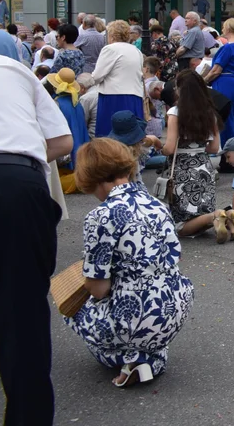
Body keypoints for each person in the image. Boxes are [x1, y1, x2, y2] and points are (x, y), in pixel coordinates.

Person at [0, 53, 73, 424]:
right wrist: (26, 156)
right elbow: (62, 141)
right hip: (17, 184)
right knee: (23, 315)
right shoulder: (10, 67)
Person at [66, 138, 194, 388]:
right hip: (174, 304)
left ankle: (126, 356)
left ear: (89, 176)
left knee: (72, 310)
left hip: (135, 315)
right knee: (145, 328)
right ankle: (150, 358)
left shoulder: (101, 216)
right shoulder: (156, 205)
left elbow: (98, 288)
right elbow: (174, 256)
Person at [162, 70, 226, 240]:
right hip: (204, 167)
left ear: (180, 89)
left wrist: (156, 145)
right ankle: (221, 217)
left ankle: (215, 216)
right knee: (200, 213)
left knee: (180, 227)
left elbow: (169, 148)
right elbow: (214, 148)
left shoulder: (175, 112)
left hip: (183, 169)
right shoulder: (210, 112)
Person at [90, 20, 145, 138]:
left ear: (111, 35)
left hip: (113, 96)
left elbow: (97, 76)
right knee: (131, 136)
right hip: (135, 96)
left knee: (111, 136)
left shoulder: (110, 49)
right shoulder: (136, 51)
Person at [203, 18, 234, 144]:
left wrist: (203, 80)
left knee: (224, 117)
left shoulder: (228, 48)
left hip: (225, 83)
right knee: (233, 116)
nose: (222, 29)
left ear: (228, 29)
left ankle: (227, 147)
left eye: (224, 27)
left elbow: (216, 70)